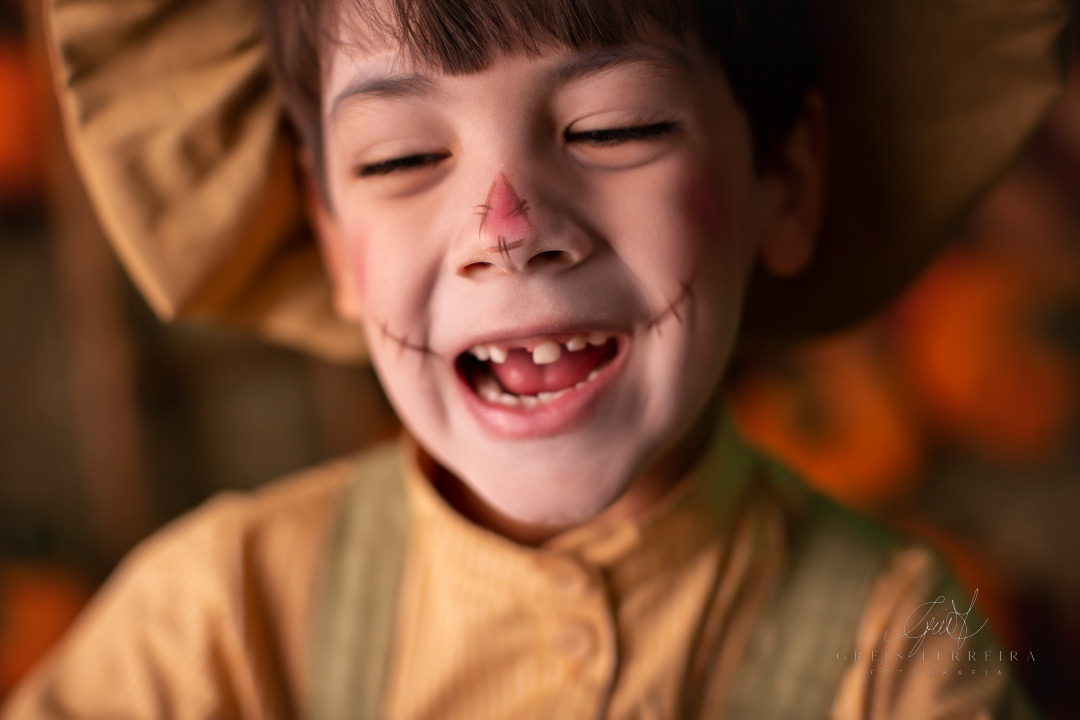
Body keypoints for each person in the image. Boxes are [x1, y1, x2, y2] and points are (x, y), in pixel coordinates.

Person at [3, 0, 1070, 717]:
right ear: (330, 237)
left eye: (613, 129)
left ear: (783, 178)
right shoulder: (213, 631)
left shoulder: (902, 659)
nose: (506, 229)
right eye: (402, 156)